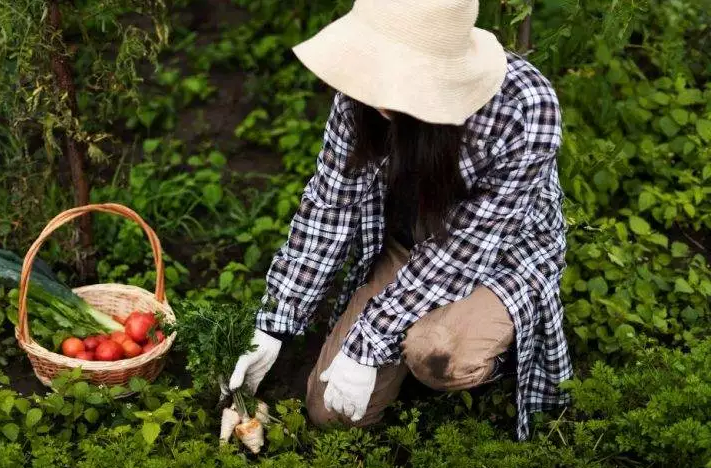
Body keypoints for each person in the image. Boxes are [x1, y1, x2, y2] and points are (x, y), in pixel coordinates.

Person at [226, 0, 573, 440]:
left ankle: (498, 353)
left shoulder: (523, 107)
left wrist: (369, 343)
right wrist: (273, 323)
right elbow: (329, 208)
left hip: (498, 257)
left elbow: (462, 252)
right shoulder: (361, 93)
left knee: (436, 352)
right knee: (330, 414)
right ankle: (405, 336)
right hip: (407, 247)